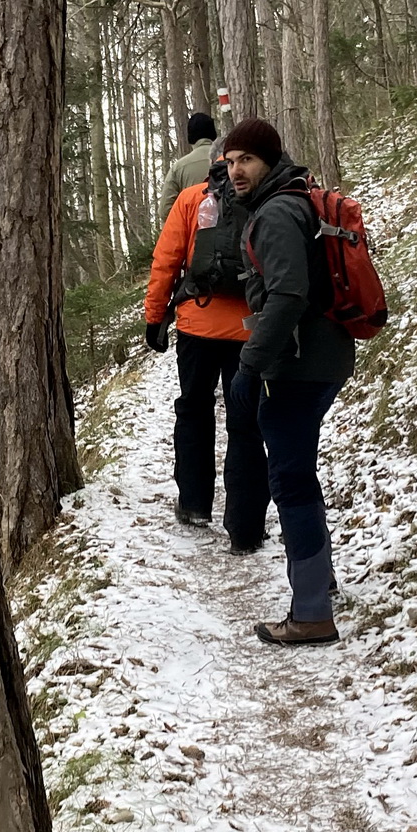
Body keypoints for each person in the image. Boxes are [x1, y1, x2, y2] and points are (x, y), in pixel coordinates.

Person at [221, 118, 355, 645]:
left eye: (246, 160)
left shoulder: (276, 212)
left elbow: (287, 296)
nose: (236, 171)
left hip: (297, 366)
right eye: (230, 161)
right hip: (320, 358)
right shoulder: (295, 201)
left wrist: (251, 365)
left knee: (291, 481)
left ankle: (313, 614)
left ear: (269, 162)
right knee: (299, 474)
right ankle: (318, 581)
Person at [142, 138, 269, 552]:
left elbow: (167, 260)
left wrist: (154, 316)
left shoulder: (191, 198)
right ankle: (246, 527)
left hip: (197, 324)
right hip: (249, 331)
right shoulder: (263, 200)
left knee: (194, 411)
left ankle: (195, 504)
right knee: (245, 423)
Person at [157, 112, 218, 222]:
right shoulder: (230, 161)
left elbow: (164, 211)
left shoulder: (178, 167)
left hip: (193, 233)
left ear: (190, 137)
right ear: (213, 134)